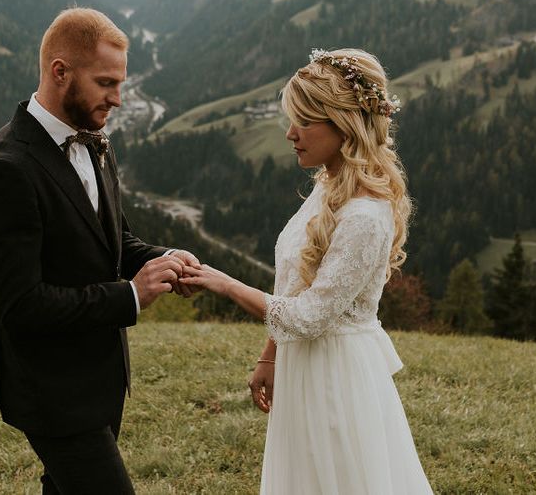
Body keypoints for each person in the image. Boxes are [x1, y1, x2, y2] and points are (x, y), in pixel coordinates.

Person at [0, 7, 200, 494]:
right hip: (52, 394)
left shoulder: (93, 140)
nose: (117, 99)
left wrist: (167, 257)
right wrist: (131, 297)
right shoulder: (4, 169)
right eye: (106, 83)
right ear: (60, 72)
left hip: (100, 383)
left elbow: (114, 239)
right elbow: (21, 306)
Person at [180, 48, 433, 494]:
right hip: (303, 366)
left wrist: (222, 283)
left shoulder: (364, 216)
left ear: (344, 125)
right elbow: (295, 286)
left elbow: (311, 317)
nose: (290, 134)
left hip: (335, 377)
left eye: (304, 122)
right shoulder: (329, 186)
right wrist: (269, 355)